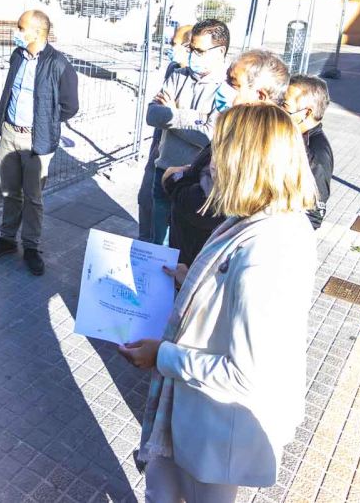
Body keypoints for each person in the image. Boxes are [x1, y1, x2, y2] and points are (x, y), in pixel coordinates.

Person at [118, 103, 318, 500]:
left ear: (248, 162)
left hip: (215, 428)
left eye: (220, 151)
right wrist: (192, 278)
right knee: (160, 490)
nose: (210, 164)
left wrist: (161, 355)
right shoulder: (259, 220)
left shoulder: (268, 248)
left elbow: (244, 372)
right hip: (198, 417)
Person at [164, 50, 289, 266]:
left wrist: (175, 181)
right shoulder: (241, 130)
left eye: (233, 83)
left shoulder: (255, 143)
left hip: (204, 260)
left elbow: (212, 207)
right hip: (195, 251)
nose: (223, 89)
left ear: (260, 96)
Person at [0, 10, 79, 276]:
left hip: (36, 139)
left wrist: (46, 122)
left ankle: (31, 246)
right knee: (9, 191)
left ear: (37, 32)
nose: (16, 32)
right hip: (9, 133)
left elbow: (70, 106)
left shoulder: (58, 64)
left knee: (33, 197)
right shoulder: (17, 56)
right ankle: (7, 239)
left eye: (21, 28)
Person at [145, 19, 233, 245]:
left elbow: (208, 137)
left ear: (220, 51)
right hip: (163, 171)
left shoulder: (227, 89)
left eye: (200, 51)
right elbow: (153, 116)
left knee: (182, 245)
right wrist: (198, 118)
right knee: (158, 243)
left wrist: (174, 113)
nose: (193, 55)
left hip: (197, 181)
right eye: (191, 49)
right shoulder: (178, 75)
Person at [138, 24, 192, 240]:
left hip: (184, 167)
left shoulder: (218, 87)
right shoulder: (174, 71)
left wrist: (174, 114)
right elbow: (154, 114)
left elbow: (206, 133)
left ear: (189, 47)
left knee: (171, 225)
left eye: (175, 44)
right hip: (158, 154)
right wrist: (184, 117)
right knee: (146, 202)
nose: (171, 48)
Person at [283, 75, 334, 229]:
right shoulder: (293, 136)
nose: (277, 110)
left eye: (284, 105)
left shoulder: (316, 155)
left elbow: (314, 216)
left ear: (306, 113)